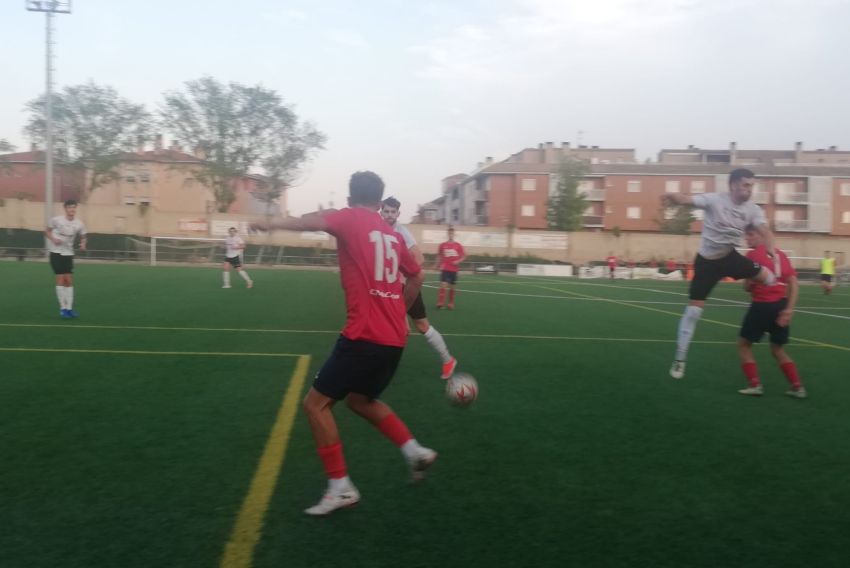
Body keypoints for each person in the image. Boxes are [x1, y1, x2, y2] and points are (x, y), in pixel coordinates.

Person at [251, 171, 436, 516]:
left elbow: (308, 222)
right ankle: (415, 451)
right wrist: (400, 310)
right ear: (380, 203)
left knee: (315, 406)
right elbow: (418, 273)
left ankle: (341, 488)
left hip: (363, 336)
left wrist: (269, 222)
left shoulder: (348, 217)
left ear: (351, 199)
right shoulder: (392, 235)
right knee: (361, 401)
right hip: (394, 339)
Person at [662, 168, 779, 379]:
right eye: (746, 185)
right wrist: (673, 197)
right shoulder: (714, 200)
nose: (749, 189)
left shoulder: (752, 209)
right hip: (707, 263)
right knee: (694, 311)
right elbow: (687, 199)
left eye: (752, 186)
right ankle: (680, 359)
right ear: (733, 185)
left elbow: (765, 231)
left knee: (770, 278)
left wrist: (770, 247)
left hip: (730, 258)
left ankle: (777, 313)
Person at [380, 197, 458, 379]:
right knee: (385, 323)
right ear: (381, 212)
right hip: (385, 287)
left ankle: (448, 360)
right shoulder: (377, 229)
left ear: (398, 214)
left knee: (422, 325)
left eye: (393, 212)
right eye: (386, 211)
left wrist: (402, 277)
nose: (390, 215)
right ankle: (382, 363)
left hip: (404, 287)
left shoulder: (402, 232)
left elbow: (419, 258)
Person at [737, 225, 806, 398]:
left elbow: (747, 287)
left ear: (762, 236)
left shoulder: (752, 255)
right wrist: (789, 309)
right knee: (777, 349)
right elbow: (794, 284)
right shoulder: (781, 255)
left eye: (750, 235)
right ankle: (797, 387)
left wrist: (750, 283)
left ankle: (755, 384)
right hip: (780, 306)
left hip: (761, 306)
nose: (747, 238)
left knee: (744, 345)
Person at [45, 199, 87, 318]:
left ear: (76, 209)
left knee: (68, 280)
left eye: (74, 207)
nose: (72, 209)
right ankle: (62, 309)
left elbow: (84, 235)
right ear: (65, 209)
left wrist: (83, 243)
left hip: (68, 254)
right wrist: (53, 239)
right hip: (56, 253)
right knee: (61, 279)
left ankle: (69, 309)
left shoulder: (79, 223)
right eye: (69, 207)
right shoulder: (56, 220)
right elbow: (47, 231)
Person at [436, 226, 465, 309]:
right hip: (445, 268)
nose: (451, 235)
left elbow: (463, 256)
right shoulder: (442, 245)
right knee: (443, 285)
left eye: (452, 233)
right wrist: (437, 264)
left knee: (452, 286)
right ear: (447, 234)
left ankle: (451, 303)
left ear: (454, 234)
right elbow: (439, 255)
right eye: (449, 233)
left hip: (454, 269)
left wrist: (458, 261)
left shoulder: (458, 245)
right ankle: (440, 303)